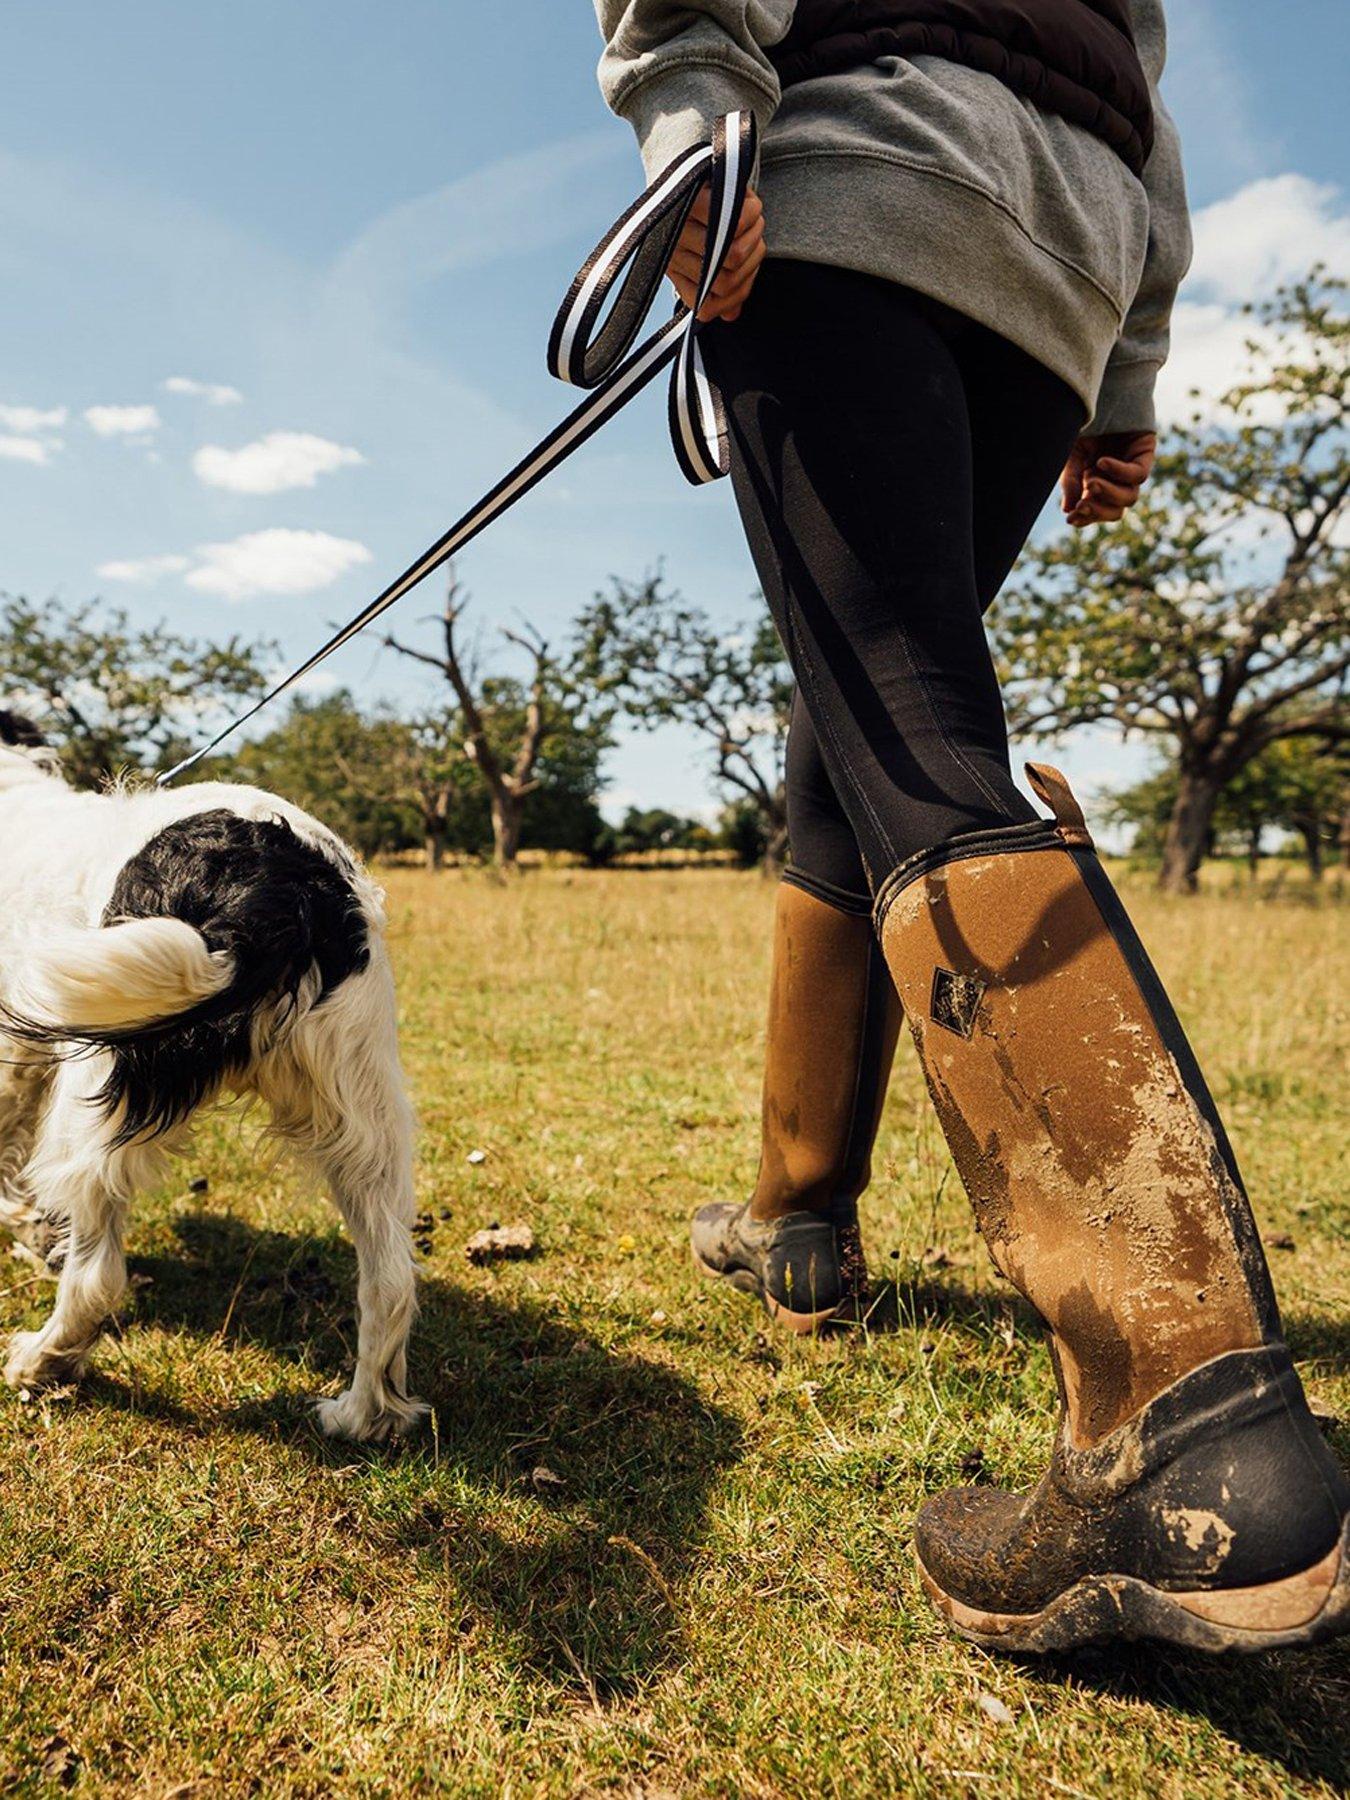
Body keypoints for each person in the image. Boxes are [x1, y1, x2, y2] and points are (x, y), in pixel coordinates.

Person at [590, 0, 1350, 1653]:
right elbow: (1138, 102)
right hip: (1057, 281)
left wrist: (695, 108)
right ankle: (799, 1217)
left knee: (917, 733)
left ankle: (1179, 1423)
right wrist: (1124, 371)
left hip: (860, 198)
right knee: (852, 737)